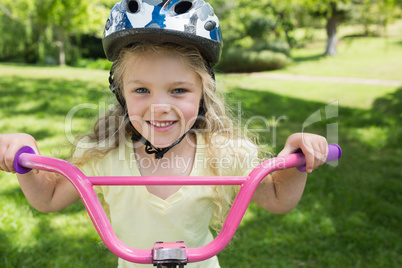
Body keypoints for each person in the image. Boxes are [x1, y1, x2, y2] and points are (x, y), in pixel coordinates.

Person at [0, 0, 329, 267]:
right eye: (141, 89)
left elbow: (277, 198)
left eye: (178, 90)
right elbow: (47, 198)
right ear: (121, 94)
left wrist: (294, 158)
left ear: (203, 94)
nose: (159, 106)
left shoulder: (223, 152)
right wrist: (25, 157)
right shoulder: (103, 153)